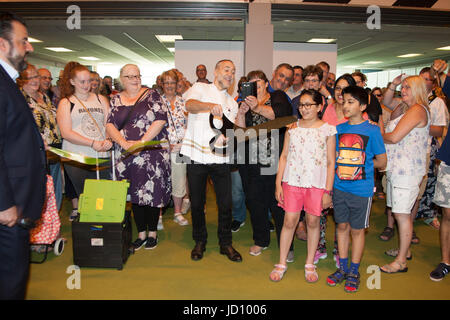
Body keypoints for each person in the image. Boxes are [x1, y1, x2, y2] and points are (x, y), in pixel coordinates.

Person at [0, 12, 47, 300]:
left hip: (14, 205)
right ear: (3, 44)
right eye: (24, 40)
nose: (29, 47)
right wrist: (4, 204)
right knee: (9, 283)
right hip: (7, 210)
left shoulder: (8, 82)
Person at [181, 59, 246, 262]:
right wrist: (210, 106)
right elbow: (189, 105)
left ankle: (225, 243)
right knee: (198, 203)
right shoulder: (200, 87)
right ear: (216, 71)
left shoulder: (232, 103)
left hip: (220, 158)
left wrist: (231, 134)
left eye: (233, 72)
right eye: (227, 69)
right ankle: (199, 241)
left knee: (225, 203)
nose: (230, 74)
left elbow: (233, 131)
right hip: (196, 156)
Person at [270, 89, 336, 283]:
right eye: (302, 105)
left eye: (309, 105)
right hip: (292, 182)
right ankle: (281, 262)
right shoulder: (292, 128)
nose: (304, 109)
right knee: (289, 221)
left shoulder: (328, 129)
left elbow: (331, 162)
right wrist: (278, 183)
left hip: (316, 184)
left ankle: (309, 263)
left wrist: (328, 191)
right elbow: (283, 157)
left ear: (319, 106)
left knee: (313, 222)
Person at [326, 86, 386, 293]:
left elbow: (382, 161)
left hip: (362, 190)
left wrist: (363, 163)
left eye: (351, 102)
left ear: (363, 106)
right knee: (341, 227)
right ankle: (342, 268)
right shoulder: (338, 129)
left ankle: (354, 270)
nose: (345, 105)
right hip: (339, 187)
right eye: (344, 101)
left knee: (357, 230)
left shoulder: (372, 130)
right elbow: (332, 158)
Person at [106, 64, 171, 250]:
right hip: (126, 154)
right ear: (122, 79)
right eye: (130, 76)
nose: (135, 79)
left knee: (151, 194)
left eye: (137, 75)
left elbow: (160, 120)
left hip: (151, 153)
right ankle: (141, 233)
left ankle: (152, 232)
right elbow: (110, 125)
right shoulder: (116, 99)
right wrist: (124, 143)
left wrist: (141, 142)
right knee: (134, 195)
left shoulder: (152, 95)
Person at [238, 70, 293, 259]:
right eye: (251, 83)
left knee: (279, 204)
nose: (256, 86)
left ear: (266, 83)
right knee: (255, 203)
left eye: (259, 83)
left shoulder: (277, 97)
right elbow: (240, 132)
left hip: (276, 160)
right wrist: (241, 112)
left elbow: (280, 115)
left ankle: (286, 245)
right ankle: (261, 240)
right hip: (253, 162)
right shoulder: (246, 103)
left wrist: (257, 107)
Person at [380, 76, 430, 274]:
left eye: (408, 87)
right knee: (401, 212)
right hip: (398, 169)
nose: (404, 90)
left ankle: (401, 261)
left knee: (402, 215)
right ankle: (405, 250)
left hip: (407, 170)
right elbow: (387, 105)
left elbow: (393, 137)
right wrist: (393, 86)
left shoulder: (418, 109)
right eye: (404, 86)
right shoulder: (407, 108)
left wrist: (376, 134)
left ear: (418, 89)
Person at [56, 63, 112, 221]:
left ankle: (103, 231)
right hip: (77, 157)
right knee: (85, 196)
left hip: (101, 155)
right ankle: (90, 234)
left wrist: (108, 138)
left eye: (89, 81)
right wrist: (92, 143)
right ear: (72, 82)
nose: (87, 85)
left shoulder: (101, 99)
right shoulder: (66, 103)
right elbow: (66, 132)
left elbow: (109, 124)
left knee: (102, 195)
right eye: (82, 81)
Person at [18, 64, 63, 211]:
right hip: (35, 152)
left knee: (54, 189)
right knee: (39, 191)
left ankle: (53, 228)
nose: (35, 80)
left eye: (36, 76)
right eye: (30, 77)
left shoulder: (44, 97)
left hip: (54, 150)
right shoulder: (19, 98)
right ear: (22, 80)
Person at [160, 69, 189, 227]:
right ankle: (158, 215)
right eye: (167, 82)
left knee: (179, 180)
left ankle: (177, 212)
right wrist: (164, 143)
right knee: (161, 181)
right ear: (162, 84)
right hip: (162, 149)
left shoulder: (183, 101)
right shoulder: (157, 102)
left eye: (172, 82)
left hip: (181, 148)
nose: (170, 85)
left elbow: (189, 124)